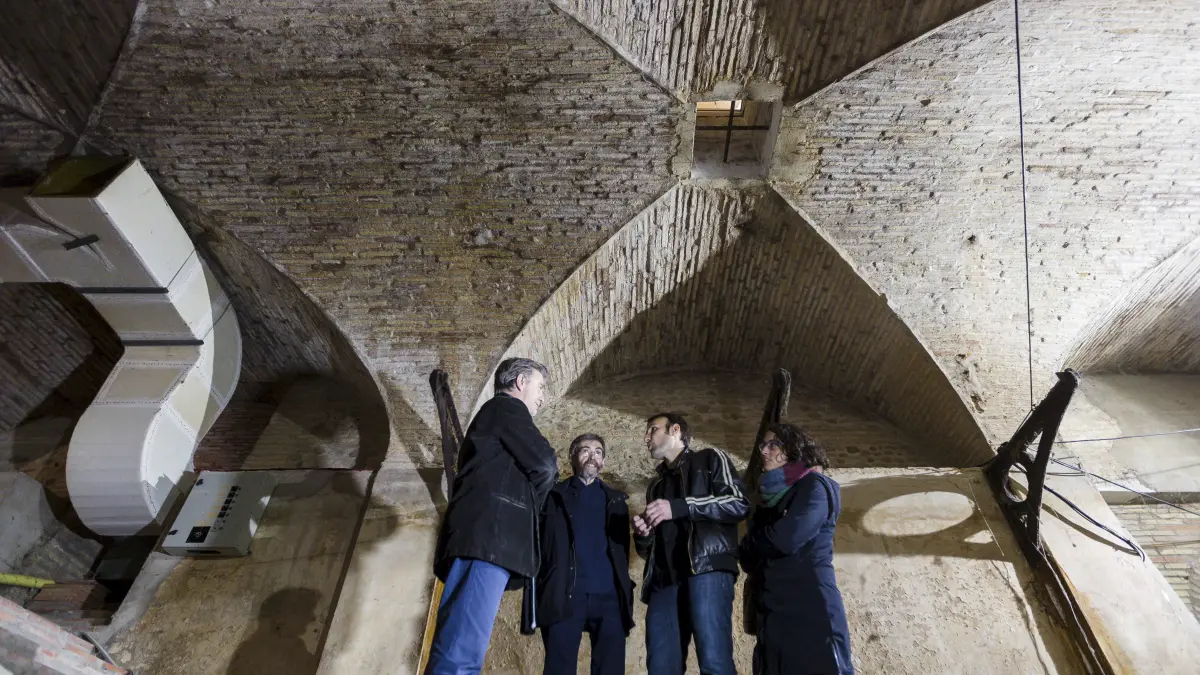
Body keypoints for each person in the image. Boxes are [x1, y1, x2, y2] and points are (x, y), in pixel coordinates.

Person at [425, 358, 559, 675]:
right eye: (540, 387)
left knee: (463, 646)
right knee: (461, 652)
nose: (542, 398)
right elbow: (545, 465)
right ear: (520, 382)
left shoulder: (496, 416)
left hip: (484, 540)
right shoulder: (506, 408)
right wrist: (532, 505)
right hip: (488, 539)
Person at [633, 412, 749, 675]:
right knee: (660, 669)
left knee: (714, 664)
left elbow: (738, 503)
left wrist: (680, 507)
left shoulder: (710, 459)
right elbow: (648, 551)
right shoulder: (655, 487)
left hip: (706, 571)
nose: (646, 437)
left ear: (675, 430)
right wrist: (644, 534)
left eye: (652, 429)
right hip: (664, 583)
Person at [739, 423, 854, 675]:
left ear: (793, 449)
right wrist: (756, 543)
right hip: (771, 611)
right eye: (763, 445)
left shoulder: (816, 485)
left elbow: (786, 538)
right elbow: (748, 559)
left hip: (809, 608)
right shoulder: (765, 502)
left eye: (774, 444)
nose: (764, 451)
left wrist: (753, 543)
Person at [537, 433, 635, 675]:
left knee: (611, 670)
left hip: (609, 598)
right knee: (559, 670)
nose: (593, 456)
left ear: (603, 461)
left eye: (598, 452)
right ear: (572, 457)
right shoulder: (552, 497)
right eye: (585, 451)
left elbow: (622, 550)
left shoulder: (617, 501)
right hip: (565, 595)